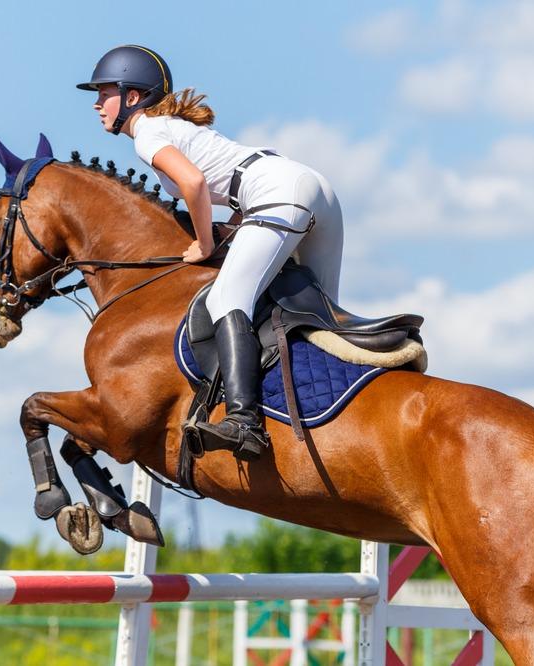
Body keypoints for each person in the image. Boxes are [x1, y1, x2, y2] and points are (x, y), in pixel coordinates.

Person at [77, 45, 344, 460]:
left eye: (104, 93)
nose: (96, 104)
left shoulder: (147, 133)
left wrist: (203, 244)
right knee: (325, 320)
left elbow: (195, 184)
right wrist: (230, 230)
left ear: (133, 97)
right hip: (312, 190)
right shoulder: (169, 126)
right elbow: (231, 183)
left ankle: (244, 423)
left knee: (226, 298)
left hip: (277, 194)